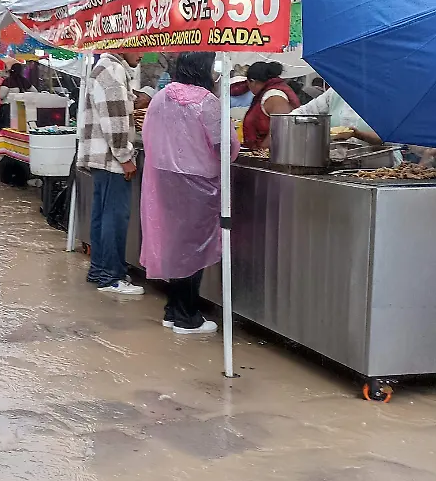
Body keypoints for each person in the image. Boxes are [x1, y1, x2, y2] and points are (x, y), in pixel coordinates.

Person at [140, 52, 239, 334]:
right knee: (194, 248)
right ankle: (186, 316)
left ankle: (173, 309)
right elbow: (226, 145)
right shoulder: (207, 102)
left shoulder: (161, 97)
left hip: (164, 179)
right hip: (198, 184)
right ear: (206, 69)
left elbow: (148, 135)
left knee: (175, 244)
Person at [79, 49, 145, 296]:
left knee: (102, 216)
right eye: (140, 48)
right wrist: (125, 156)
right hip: (110, 159)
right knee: (115, 217)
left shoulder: (105, 67)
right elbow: (115, 120)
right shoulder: (112, 70)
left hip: (101, 158)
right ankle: (111, 276)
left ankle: (99, 270)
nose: (142, 55)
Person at [241, 61, 299, 150]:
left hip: (276, 156)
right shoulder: (267, 93)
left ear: (252, 81)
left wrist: (262, 149)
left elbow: (282, 127)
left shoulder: (274, 96)